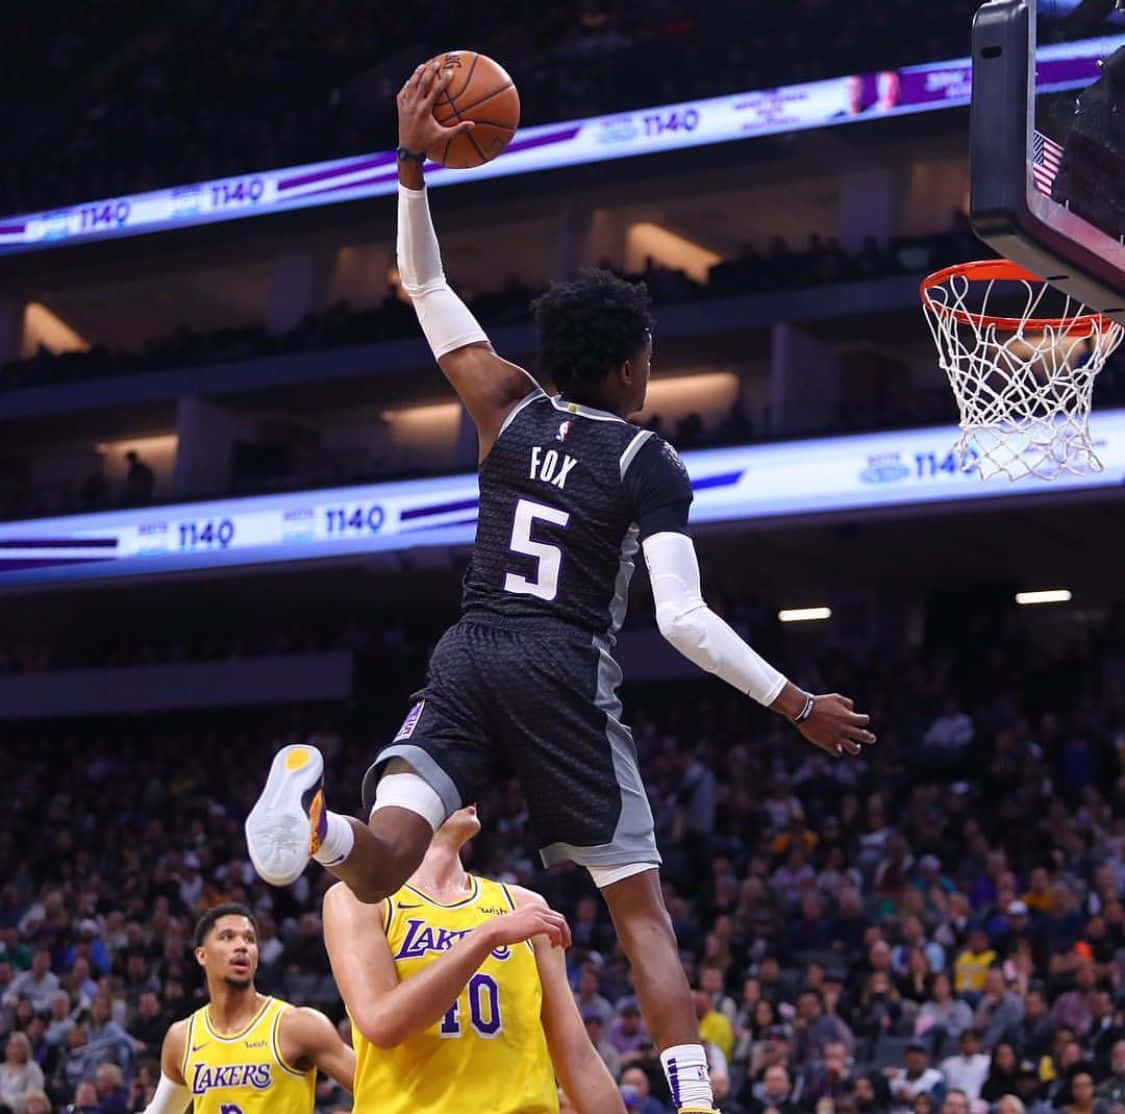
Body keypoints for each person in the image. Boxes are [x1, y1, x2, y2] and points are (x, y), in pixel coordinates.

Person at [244, 57, 875, 1114]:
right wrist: (795, 703)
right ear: (631, 363)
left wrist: (410, 165)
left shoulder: (507, 404)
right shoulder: (647, 460)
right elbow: (682, 619)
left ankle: (314, 829)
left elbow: (429, 289)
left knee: (385, 857)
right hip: (560, 666)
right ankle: (698, 1103)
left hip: (469, 648)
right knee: (643, 917)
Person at [322, 803, 623, 1114]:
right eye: (441, 776)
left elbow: (577, 1056)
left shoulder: (523, 905)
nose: (464, 787)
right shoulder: (356, 899)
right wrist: (485, 936)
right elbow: (382, 1023)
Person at [137, 904, 354, 1114]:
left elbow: (376, 1086)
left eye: (249, 939)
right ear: (202, 955)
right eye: (227, 937)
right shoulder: (182, 1038)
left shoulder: (297, 1026)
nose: (242, 946)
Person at [940, 1029, 990, 1101]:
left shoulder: (986, 1062)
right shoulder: (948, 1064)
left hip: (978, 1104)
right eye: (966, 1041)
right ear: (960, 1044)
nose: (969, 1044)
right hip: (954, 1102)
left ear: (978, 1043)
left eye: (973, 1041)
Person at [1, 1033, 45, 1114]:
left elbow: (34, 1097)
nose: (14, 1050)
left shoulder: (33, 1069)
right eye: (11, 1045)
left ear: (26, 1048)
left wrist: (5, 1099)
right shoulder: (1, 1068)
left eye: (19, 1046)